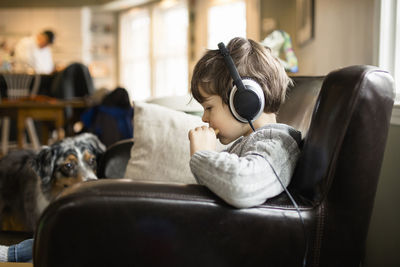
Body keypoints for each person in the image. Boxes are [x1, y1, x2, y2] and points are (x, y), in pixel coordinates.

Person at [188, 37, 302, 209]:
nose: (204, 118)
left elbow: (242, 186)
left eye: (209, 107)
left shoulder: (278, 145)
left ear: (243, 101)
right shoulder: (248, 144)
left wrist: (203, 154)